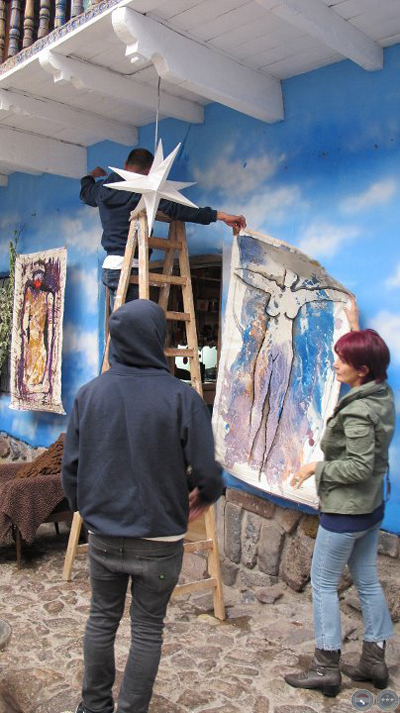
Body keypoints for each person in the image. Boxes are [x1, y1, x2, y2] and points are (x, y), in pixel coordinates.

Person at [61, 299, 224, 713]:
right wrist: (205, 495)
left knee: (102, 619)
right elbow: (207, 470)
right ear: (158, 339)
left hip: (104, 534)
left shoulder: (88, 395)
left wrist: (86, 508)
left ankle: (93, 707)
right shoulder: (182, 397)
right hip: (160, 538)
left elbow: (71, 468)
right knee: (148, 629)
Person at [284, 298, 395, 697]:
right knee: (366, 578)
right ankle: (374, 660)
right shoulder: (379, 393)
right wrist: (355, 327)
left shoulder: (359, 413)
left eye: (343, 360)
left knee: (323, 583)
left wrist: (316, 468)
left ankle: (326, 666)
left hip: (347, 511)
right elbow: (365, 364)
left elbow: (359, 467)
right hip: (370, 508)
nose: (335, 364)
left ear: (361, 369)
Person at [80, 148, 246, 305]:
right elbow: (179, 210)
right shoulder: (144, 190)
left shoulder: (103, 189)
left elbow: (85, 193)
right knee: (132, 322)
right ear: (149, 171)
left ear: (125, 165)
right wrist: (220, 216)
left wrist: (91, 175)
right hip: (132, 267)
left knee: (120, 320)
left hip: (110, 268)